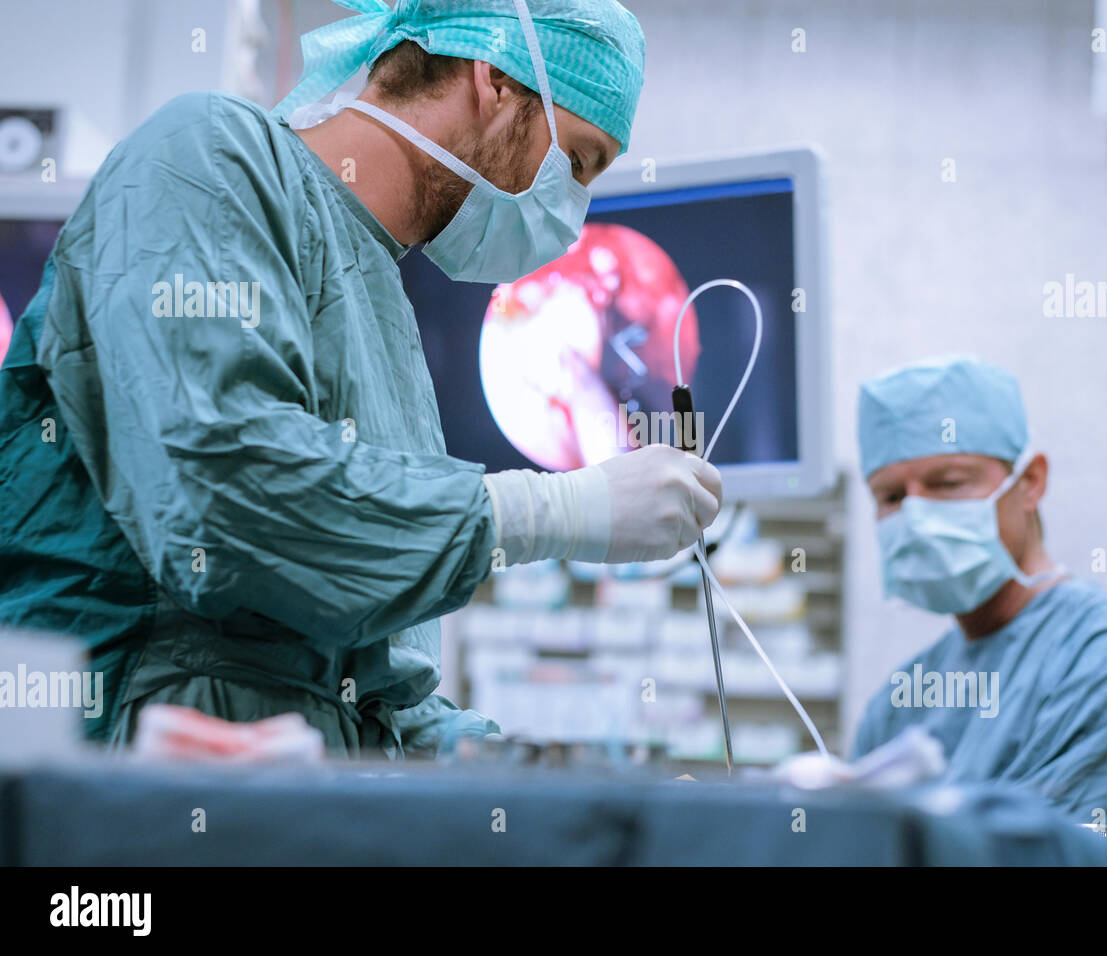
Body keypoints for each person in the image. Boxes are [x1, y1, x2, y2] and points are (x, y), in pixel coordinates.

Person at [0, 0, 722, 758]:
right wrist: (555, 510)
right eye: (576, 160)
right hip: (133, 776)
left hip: (292, 794)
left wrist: (506, 768)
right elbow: (223, 498)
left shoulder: (380, 308)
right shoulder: (207, 159)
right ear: (496, 83)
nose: (572, 212)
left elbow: (365, 684)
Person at [852, 355, 1107, 866]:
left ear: (1030, 482)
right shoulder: (897, 703)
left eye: (948, 483)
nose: (916, 516)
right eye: (890, 495)